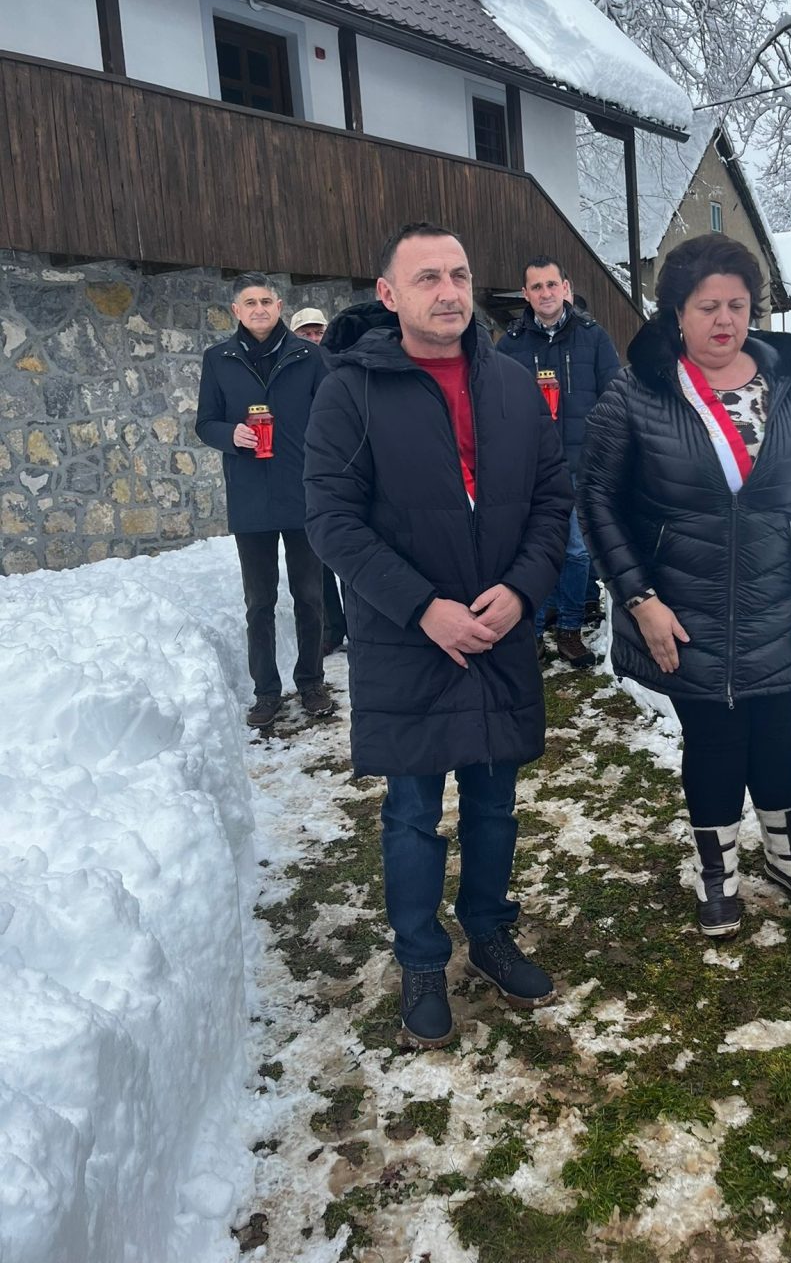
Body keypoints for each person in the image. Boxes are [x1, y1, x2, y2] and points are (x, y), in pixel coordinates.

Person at [304, 223, 571, 1048]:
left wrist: (522, 591)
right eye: (427, 278)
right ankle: (421, 959)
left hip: (498, 629)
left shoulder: (513, 384)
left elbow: (552, 497)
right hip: (406, 638)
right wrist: (423, 607)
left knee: (495, 803)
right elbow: (331, 520)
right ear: (389, 295)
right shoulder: (350, 391)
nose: (449, 291)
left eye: (458, 274)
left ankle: (489, 932)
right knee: (414, 812)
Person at [578, 234, 791, 938]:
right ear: (677, 312)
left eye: (737, 304)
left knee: (777, 732)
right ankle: (718, 869)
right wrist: (639, 600)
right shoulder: (637, 392)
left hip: (780, 603)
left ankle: (787, 854)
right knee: (713, 737)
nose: (724, 319)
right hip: (681, 607)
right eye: (707, 307)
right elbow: (597, 502)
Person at [196, 274, 332, 727]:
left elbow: (333, 415)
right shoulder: (218, 359)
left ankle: (312, 682)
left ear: (279, 306)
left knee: (309, 595)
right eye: (250, 302)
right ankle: (266, 692)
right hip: (250, 494)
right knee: (259, 602)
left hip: (302, 492)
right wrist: (229, 434)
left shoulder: (309, 356)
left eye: (267, 301)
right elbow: (205, 422)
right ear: (236, 310)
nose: (259, 309)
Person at [497, 256, 620, 667]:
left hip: (583, 466)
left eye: (552, 284)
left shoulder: (593, 337)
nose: (545, 293)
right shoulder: (510, 344)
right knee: (534, 551)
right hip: (530, 470)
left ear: (565, 287)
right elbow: (495, 406)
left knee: (578, 552)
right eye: (536, 287)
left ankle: (569, 630)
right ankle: (531, 632)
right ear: (525, 294)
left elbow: (614, 400)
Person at [289, 307, 346, 654]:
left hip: (343, 467)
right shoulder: (290, 370)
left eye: (317, 332)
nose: (312, 339)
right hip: (306, 471)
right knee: (318, 555)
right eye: (305, 333)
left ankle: (358, 625)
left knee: (349, 549)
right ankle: (331, 628)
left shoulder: (341, 365)